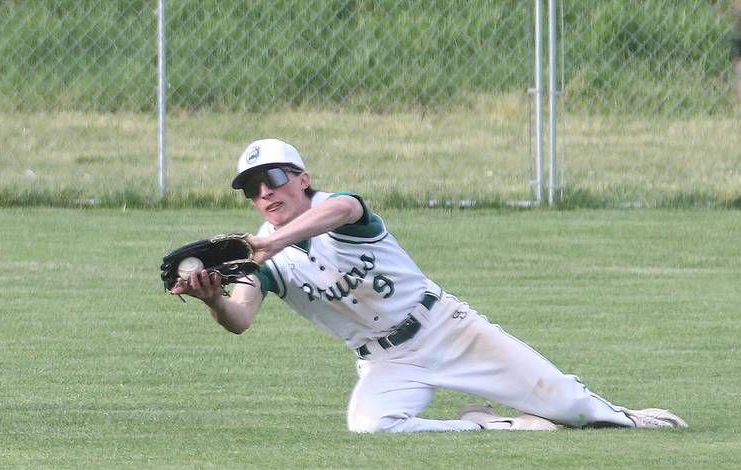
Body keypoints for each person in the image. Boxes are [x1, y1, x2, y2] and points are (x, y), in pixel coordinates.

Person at [170, 138, 688, 433]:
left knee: (573, 409)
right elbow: (240, 319)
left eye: (275, 178)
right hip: (385, 359)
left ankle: (627, 418)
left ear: (302, 178)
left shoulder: (336, 210)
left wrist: (272, 244)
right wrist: (214, 297)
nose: (265, 194)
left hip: (446, 328)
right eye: (253, 190)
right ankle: (499, 427)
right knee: (371, 426)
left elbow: (344, 209)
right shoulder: (260, 252)